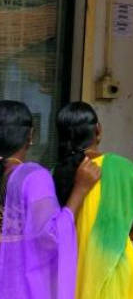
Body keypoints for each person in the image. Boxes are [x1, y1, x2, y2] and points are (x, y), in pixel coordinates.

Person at [0, 100, 100, 299]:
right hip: (23, 290)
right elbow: (51, 236)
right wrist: (80, 189)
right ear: (30, 136)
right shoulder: (33, 177)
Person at [53, 102, 133, 298]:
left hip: (70, 279)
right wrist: (115, 236)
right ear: (98, 130)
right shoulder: (122, 168)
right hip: (118, 278)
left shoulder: (54, 174)